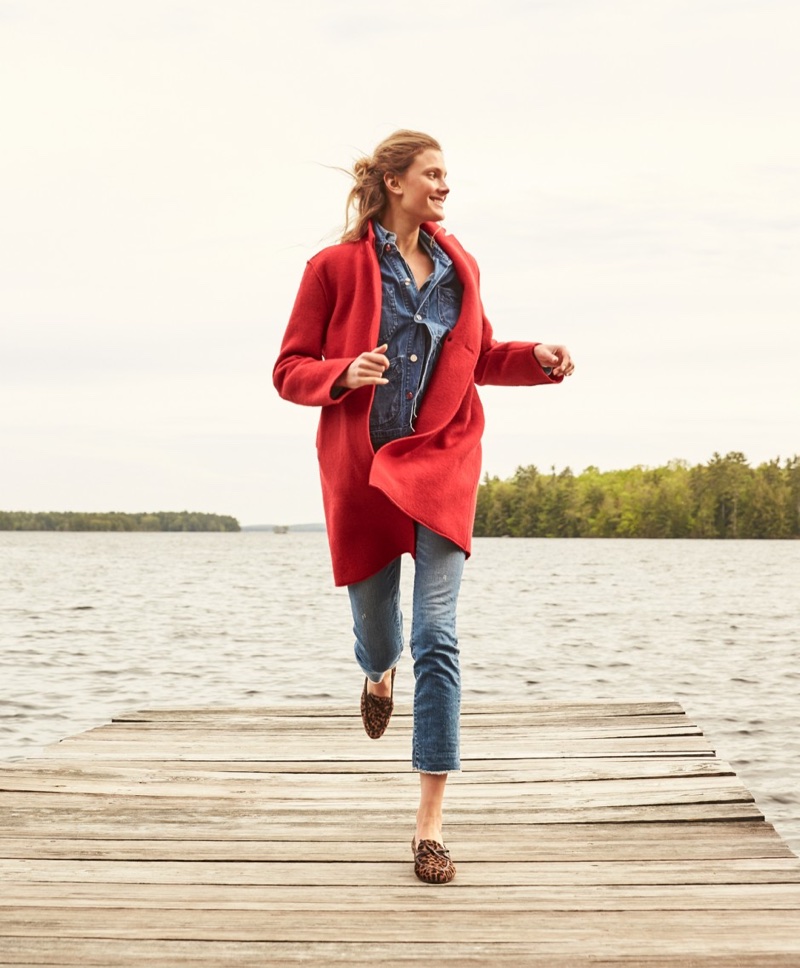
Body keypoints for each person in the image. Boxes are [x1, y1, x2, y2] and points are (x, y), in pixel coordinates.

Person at [273, 130, 574, 884]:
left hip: (440, 470)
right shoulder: (334, 269)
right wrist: (343, 373)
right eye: (433, 175)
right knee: (383, 636)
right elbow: (288, 369)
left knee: (437, 638)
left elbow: (481, 355)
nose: (445, 186)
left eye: (447, 175)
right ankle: (376, 675)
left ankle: (430, 826)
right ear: (396, 183)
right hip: (364, 476)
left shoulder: (458, 266)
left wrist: (534, 358)